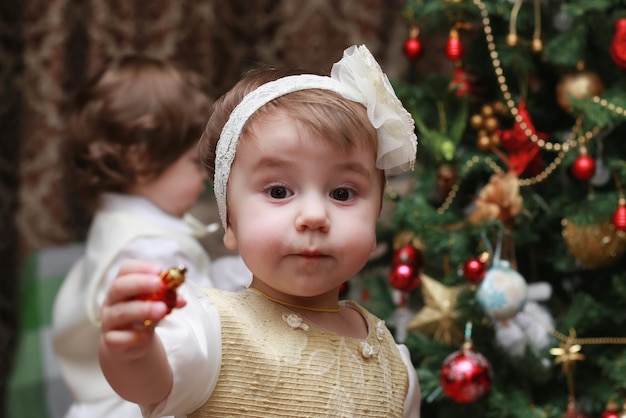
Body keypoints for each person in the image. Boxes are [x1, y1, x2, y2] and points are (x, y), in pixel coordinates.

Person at [98, 45, 421, 417]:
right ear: (230, 222)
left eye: (342, 193)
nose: (314, 215)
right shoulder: (211, 329)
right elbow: (152, 384)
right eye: (279, 192)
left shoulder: (396, 367)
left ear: (376, 218)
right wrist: (132, 350)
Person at [51, 55, 249, 418]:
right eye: (194, 163)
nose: (206, 178)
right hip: (140, 405)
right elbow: (196, 330)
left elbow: (198, 287)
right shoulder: (149, 247)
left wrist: (239, 272)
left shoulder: (119, 219)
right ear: (141, 159)